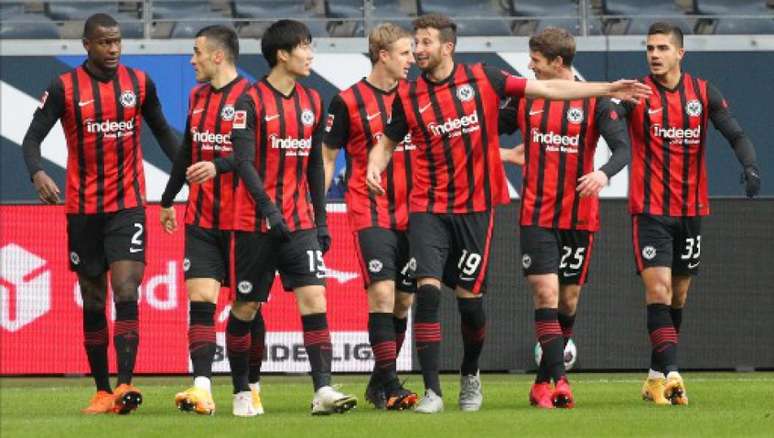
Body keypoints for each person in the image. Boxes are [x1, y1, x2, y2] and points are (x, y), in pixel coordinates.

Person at [366, 13, 651, 414]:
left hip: (477, 209)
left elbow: (548, 89)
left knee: (471, 304)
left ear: (447, 47)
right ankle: (432, 392)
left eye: (426, 41)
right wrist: (374, 164)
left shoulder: (484, 78)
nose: (418, 49)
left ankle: (470, 374)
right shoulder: (408, 96)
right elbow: (388, 140)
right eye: (416, 41)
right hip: (428, 206)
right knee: (426, 292)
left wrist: (607, 88)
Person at [21, 13, 178, 414]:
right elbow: (32, 137)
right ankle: (102, 390)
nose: (113, 49)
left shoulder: (139, 83)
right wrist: (38, 171)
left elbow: (161, 130)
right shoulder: (64, 87)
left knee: (126, 289)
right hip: (83, 209)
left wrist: (185, 171)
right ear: (87, 44)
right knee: (94, 301)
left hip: (128, 205)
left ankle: (125, 386)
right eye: (105, 42)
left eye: (118, 41)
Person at [619, 22, 760, 406]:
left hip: (691, 209)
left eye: (663, 48)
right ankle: (674, 375)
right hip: (649, 210)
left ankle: (653, 377)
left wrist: (750, 166)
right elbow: (608, 127)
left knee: (678, 296)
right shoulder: (636, 93)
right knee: (659, 290)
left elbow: (735, 133)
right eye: (649, 48)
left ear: (680, 53)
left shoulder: (702, 92)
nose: (654, 54)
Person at [498, 27, 631, 409]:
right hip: (537, 214)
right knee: (546, 293)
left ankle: (542, 381)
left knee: (568, 301)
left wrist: (603, 173)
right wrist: (502, 155)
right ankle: (559, 381)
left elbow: (622, 148)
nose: (529, 66)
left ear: (557, 63)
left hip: (579, 217)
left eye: (536, 61)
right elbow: (488, 127)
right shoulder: (526, 98)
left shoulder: (596, 102)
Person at [229, 19, 357, 415]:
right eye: (304, 47)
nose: (311, 54)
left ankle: (322, 391)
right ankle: (241, 392)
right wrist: (269, 210)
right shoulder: (249, 102)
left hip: (299, 222)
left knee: (315, 297)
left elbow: (315, 168)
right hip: (255, 223)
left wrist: (320, 220)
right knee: (247, 307)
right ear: (282, 54)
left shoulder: (313, 101)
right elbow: (243, 163)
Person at [158, 25, 266, 417]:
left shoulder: (254, 97)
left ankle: (251, 385)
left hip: (245, 220)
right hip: (202, 217)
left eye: (197, 52)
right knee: (201, 299)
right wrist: (169, 199)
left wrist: (218, 166)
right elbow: (188, 149)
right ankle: (202, 387)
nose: (192, 60)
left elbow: (252, 158)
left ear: (218, 56)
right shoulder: (197, 96)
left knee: (247, 306)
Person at [322, 23, 418, 410]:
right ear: (383, 55)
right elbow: (328, 156)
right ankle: (391, 384)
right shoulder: (347, 101)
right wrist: (316, 210)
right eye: (405, 53)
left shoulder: (417, 98)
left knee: (403, 303)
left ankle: (379, 382)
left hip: (416, 213)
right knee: (382, 293)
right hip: (370, 208)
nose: (412, 59)